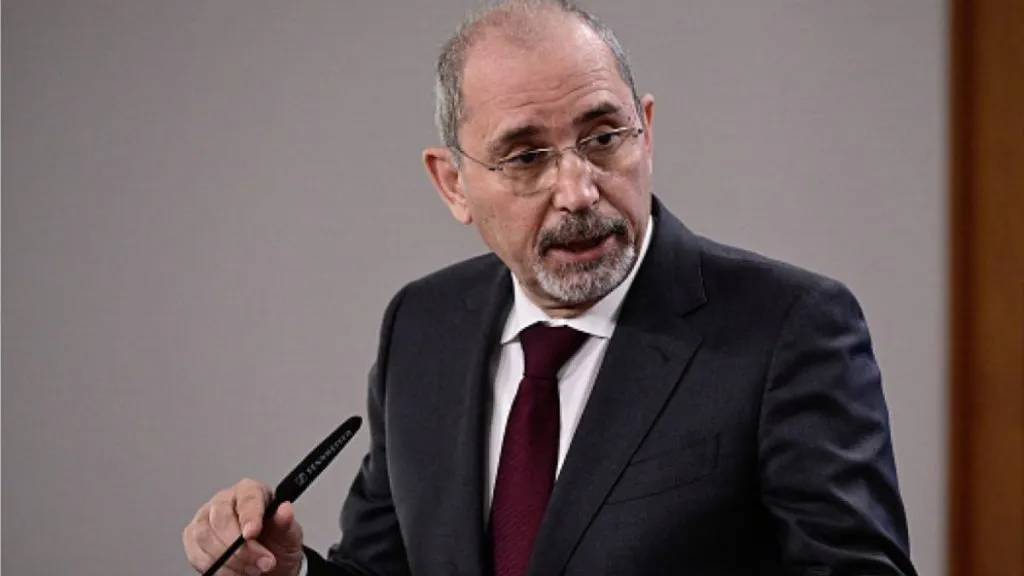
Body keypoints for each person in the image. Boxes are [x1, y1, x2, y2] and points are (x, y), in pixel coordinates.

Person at [183, 1, 918, 574]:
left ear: (646, 131)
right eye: (526, 156)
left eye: (604, 138)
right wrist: (288, 573)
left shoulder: (787, 328)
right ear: (453, 183)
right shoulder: (423, 326)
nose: (578, 190)